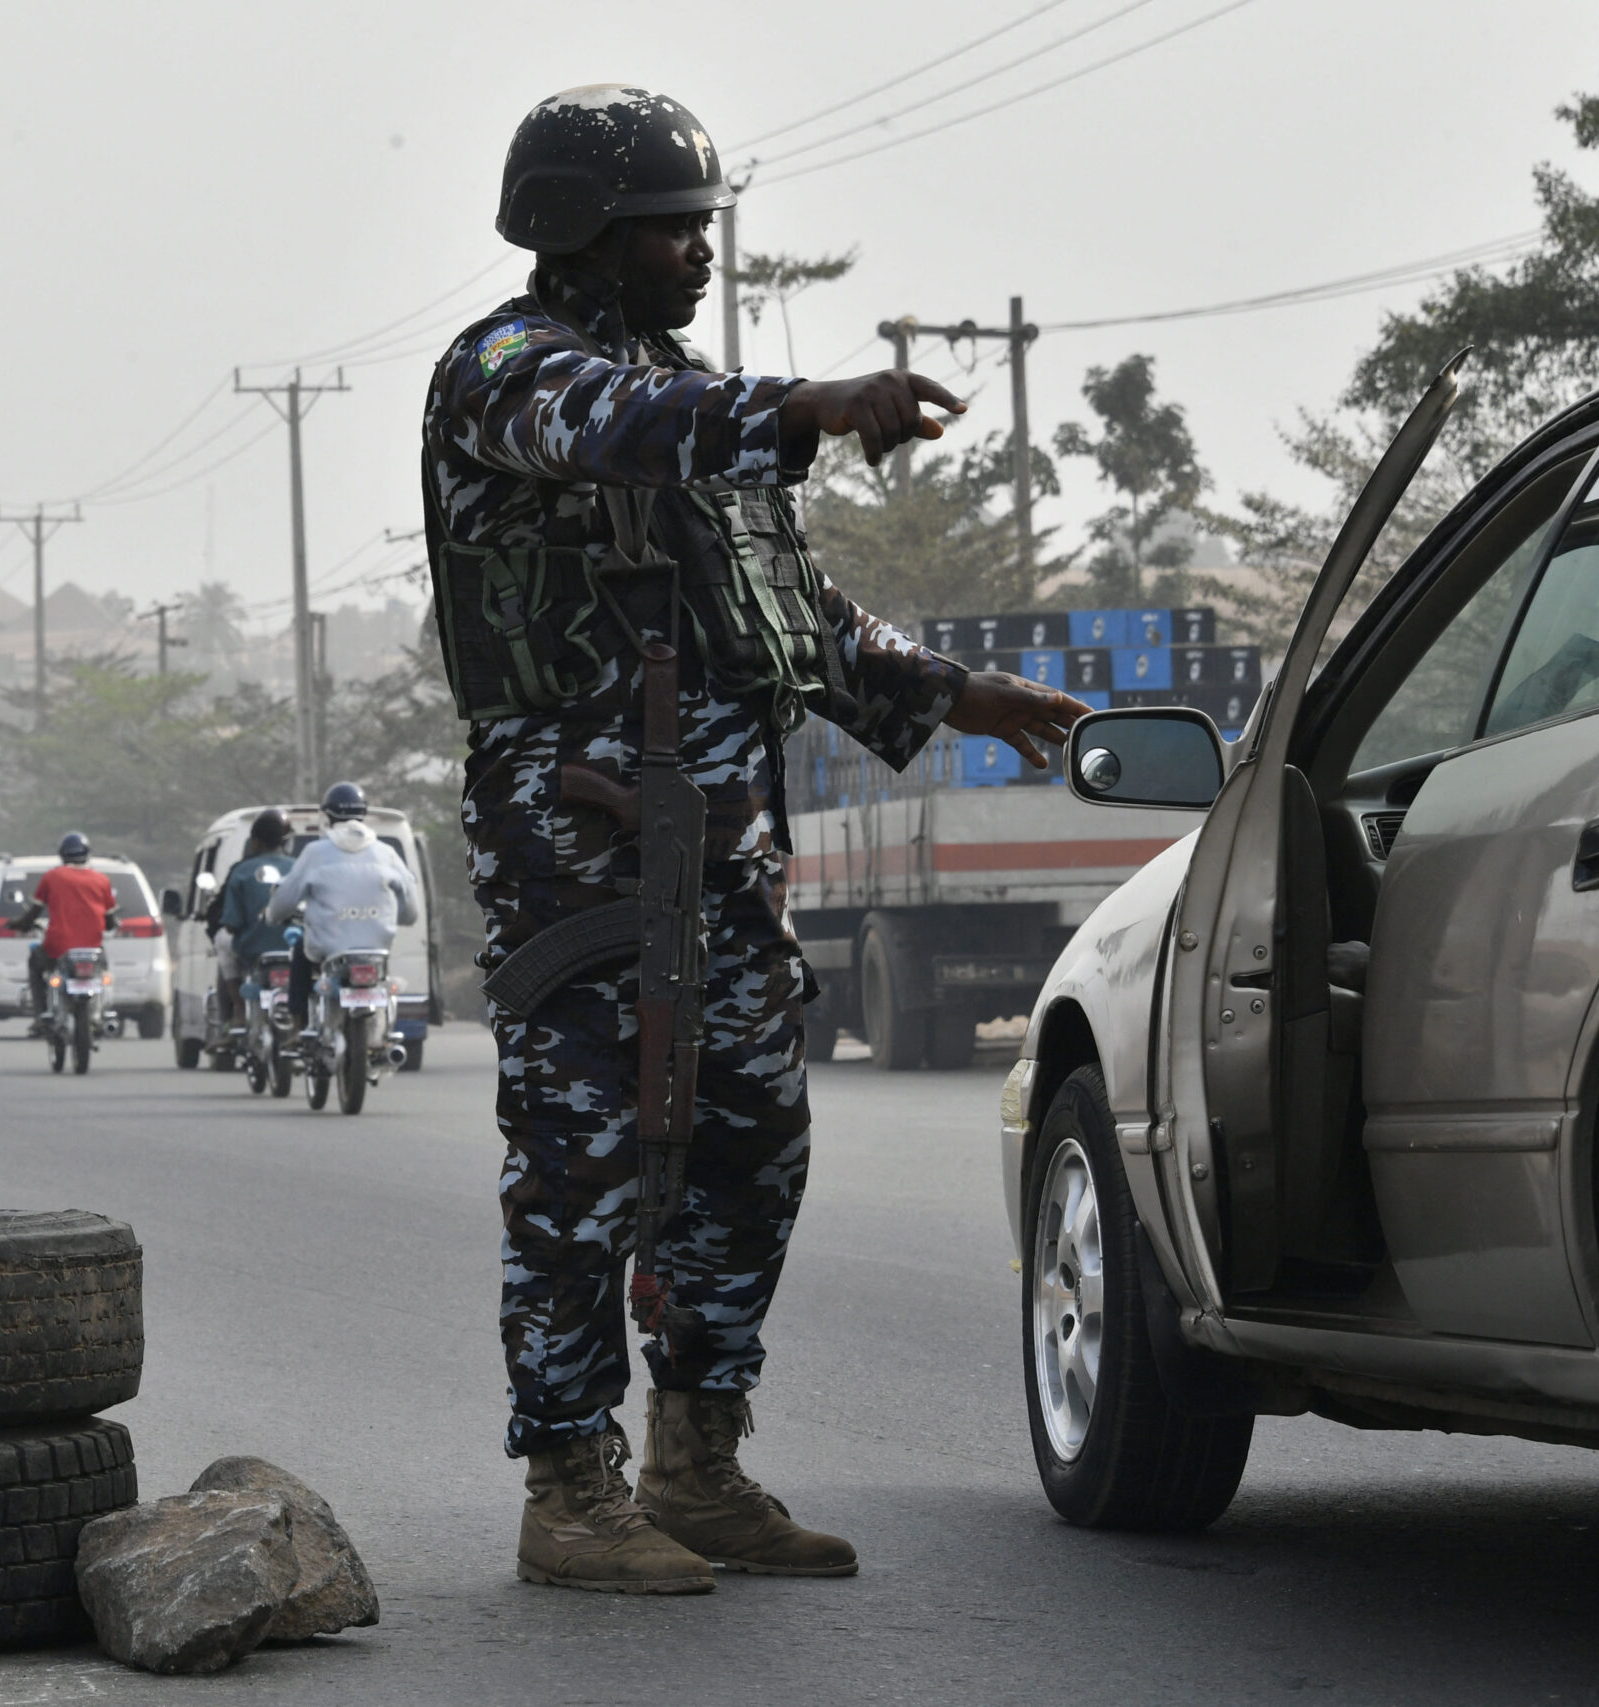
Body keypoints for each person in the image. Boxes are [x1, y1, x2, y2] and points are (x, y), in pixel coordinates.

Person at [427, 85, 1090, 1596]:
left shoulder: (685, 388)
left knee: (750, 1147)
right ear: (582, 232)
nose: (695, 253)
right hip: (577, 846)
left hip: (723, 848)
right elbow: (623, 427)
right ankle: (570, 1482)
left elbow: (786, 608)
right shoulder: (511, 373)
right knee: (583, 1161)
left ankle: (699, 1460)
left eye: (700, 226)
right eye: (668, 227)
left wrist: (948, 689)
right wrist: (797, 404)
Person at [264, 783, 421, 1035]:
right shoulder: (386, 853)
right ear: (363, 814)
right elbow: (411, 909)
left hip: (328, 949)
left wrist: (273, 915)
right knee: (383, 976)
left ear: (328, 815)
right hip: (376, 948)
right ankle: (384, 1034)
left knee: (300, 952)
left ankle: (297, 1024)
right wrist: (398, 917)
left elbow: (286, 898)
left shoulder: (315, 853)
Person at [18, 832, 117, 1029]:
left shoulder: (52, 877)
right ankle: (101, 1011)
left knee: (35, 961)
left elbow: (34, 912)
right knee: (102, 969)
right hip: (92, 948)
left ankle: (40, 1015)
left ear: (62, 855)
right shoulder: (102, 880)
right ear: (87, 854)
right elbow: (110, 921)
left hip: (58, 946)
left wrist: (19, 924)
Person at [212, 809, 295, 1026]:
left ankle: (238, 1009)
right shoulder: (299, 868)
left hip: (253, 949)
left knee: (221, 940)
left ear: (255, 842)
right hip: (295, 948)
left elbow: (231, 924)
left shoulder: (241, 871)